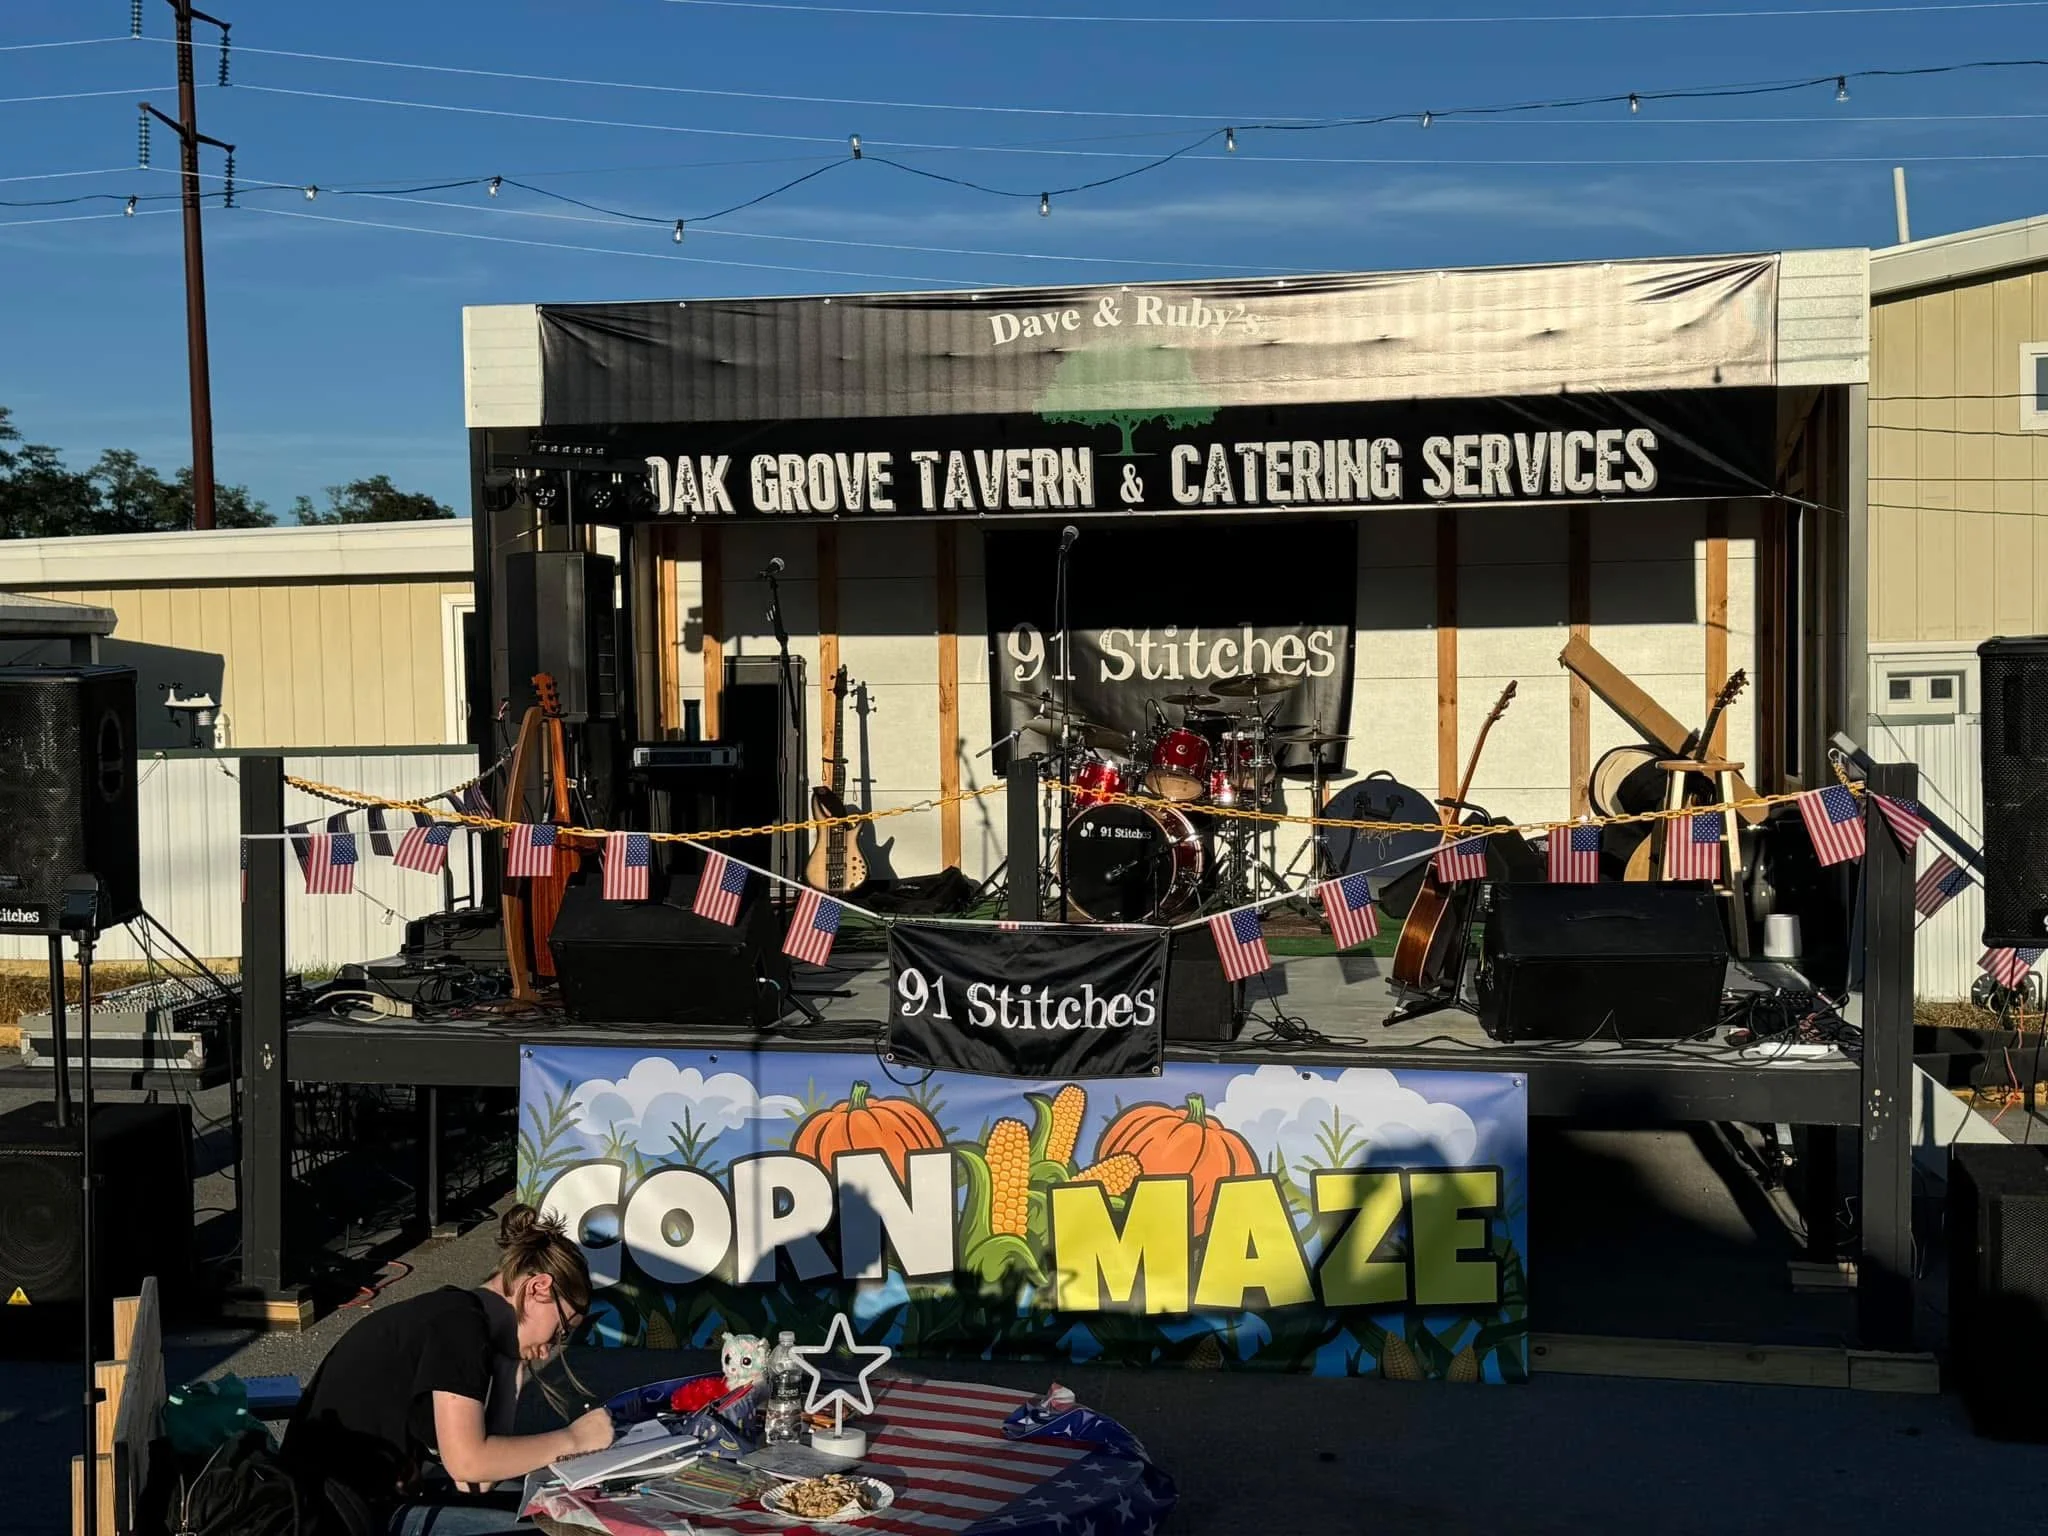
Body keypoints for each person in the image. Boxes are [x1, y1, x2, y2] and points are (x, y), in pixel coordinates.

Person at [285, 1205, 617, 1534]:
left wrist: (507, 1373)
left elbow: (479, 1479)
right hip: (334, 1514)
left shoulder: (458, 1315)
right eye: (560, 1329)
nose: (551, 1346)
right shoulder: (459, 1326)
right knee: (553, 1527)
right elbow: (469, 1462)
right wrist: (574, 1439)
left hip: (345, 1501)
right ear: (538, 1288)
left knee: (550, 1507)